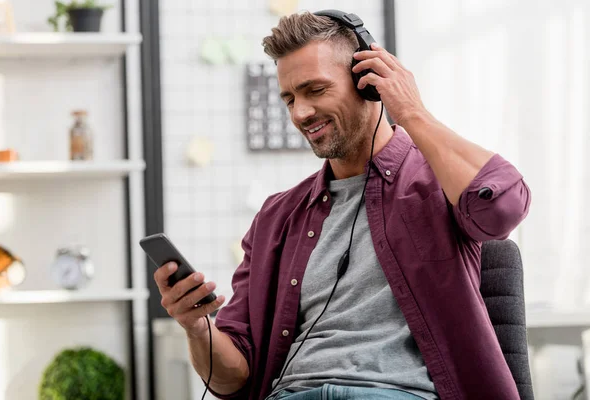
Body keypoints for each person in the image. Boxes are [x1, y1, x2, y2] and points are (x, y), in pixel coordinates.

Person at [153, 10, 531, 400]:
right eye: (289, 99)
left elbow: (503, 207)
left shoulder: (440, 183)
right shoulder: (276, 218)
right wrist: (197, 327)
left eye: (315, 90)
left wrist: (411, 111)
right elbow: (232, 380)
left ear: (368, 85)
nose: (299, 113)